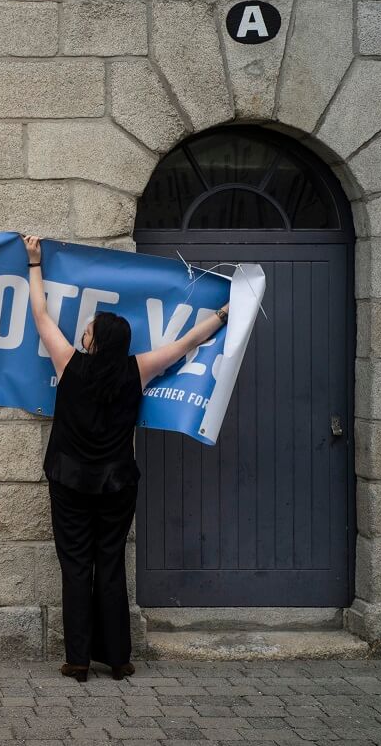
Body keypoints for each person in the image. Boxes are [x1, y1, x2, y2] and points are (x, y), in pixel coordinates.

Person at [22, 235, 230, 682]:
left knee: (76, 567)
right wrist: (222, 315)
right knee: (110, 563)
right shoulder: (137, 368)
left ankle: (78, 660)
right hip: (117, 484)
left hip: (70, 482)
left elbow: (40, 315)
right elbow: (186, 343)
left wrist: (34, 263)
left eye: (90, 328)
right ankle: (119, 660)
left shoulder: (69, 363)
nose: (85, 330)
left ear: (93, 340)